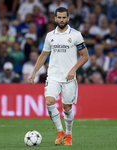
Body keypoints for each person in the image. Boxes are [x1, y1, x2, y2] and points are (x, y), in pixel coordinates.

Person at [28, 7, 89, 145]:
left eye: (64, 17)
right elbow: (44, 55)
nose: (61, 20)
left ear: (68, 18)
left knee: (67, 108)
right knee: (49, 102)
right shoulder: (50, 35)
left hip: (68, 78)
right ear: (55, 18)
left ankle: (69, 134)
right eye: (59, 17)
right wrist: (34, 72)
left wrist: (73, 70)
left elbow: (85, 56)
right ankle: (60, 132)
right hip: (53, 76)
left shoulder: (76, 35)